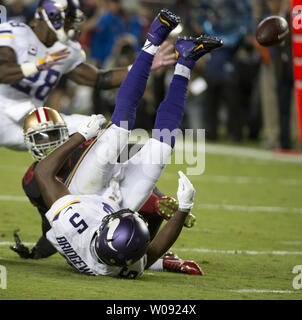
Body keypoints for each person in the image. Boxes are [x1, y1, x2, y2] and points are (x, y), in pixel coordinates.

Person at [28, 9, 222, 278]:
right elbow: (153, 251)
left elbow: (42, 173)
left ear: (104, 231)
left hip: (85, 192)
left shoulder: (71, 223)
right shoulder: (123, 258)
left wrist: (80, 136)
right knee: (163, 146)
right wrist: (183, 209)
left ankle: (152, 39)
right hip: (117, 208)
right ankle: (185, 60)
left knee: (119, 130)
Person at [11, 106, 199, 275]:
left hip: (108, 205)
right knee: (76, 246)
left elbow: (125, 153)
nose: (48, 142)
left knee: (142, 198)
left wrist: (146, 152)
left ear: (64, 133)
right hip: (82, 221)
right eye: (41, 137)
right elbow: (50, 224)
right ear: (29, 141)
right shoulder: (31, 181)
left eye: (53, 134)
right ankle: (158, 246)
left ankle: (154, 208)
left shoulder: (82, 147)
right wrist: (38, 251)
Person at [0, 0, 175, 150]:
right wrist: (37, 65)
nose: (73, 25)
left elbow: (100, 79)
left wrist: (142, 65)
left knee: (93, 127)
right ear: (51, 16)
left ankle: (84, 185)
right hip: (2, 114)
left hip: (32, 122)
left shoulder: (66, 49)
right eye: (69, 19)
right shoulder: (15, 32)